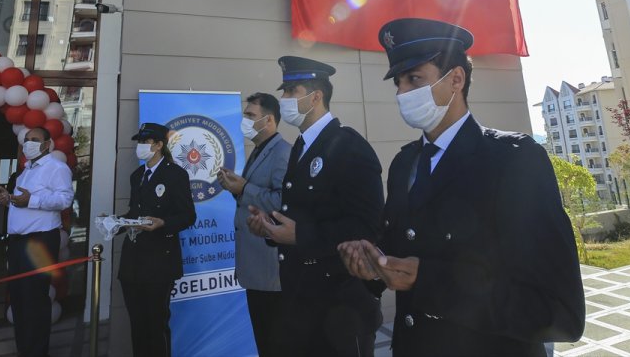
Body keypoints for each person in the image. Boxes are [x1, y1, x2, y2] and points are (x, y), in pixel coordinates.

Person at [338, 18, 585, 356]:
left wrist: (427, 282)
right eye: (398, 83)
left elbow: (559, 312)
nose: (401, 94)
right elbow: (400, 247)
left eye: (414, 79)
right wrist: (372, 264)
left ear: (455, 78)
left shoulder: (513, 161)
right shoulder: (404, 164)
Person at [247, 56, 384, 357]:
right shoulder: (302, 146)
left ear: (316, 96)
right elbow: (305, 212)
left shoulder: (349, 146)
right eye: (284, 92)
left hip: (342, 308)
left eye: (291, 91)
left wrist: (300, 235)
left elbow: (367, 227)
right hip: (301, 304)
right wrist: (270, 226)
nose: (283, 99)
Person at [216, 92, 291, 357]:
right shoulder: (260, 150)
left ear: (268, 120)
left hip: (270, 271)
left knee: (274, 342)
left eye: (250, 115)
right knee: (264, 340)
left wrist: (245, 187)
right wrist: (236, 188)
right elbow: (254, 194)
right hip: (254, 267)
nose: (244, 120)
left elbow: (283, 202)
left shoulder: (282, 152)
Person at [117, 122, 196, 357]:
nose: (140, 147)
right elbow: (134, 214)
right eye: (139, 142)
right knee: (137, 323)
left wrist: (163, 223)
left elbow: (188, 216)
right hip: (132, 261)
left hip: (159, 260)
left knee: (155, 323)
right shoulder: (137, 176)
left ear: (159, 145)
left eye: (145, 142)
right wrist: (116, 223)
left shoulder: (175, 174)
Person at [0, 127, 74, 357]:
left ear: (47, 144)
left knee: (35, 300)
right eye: (27, 140)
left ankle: (38, 351)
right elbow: (22, 202)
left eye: (35, 140)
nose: (29, 143)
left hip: (39, 241)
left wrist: (33, 200)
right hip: (18, 241)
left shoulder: (56, 168)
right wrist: (8, 200)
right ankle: (25, 350)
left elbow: (65, 199)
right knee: (19, 298)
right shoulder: (24, 171)